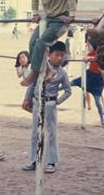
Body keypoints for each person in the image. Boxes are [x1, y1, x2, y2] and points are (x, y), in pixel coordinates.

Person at [22, 41, 72, 173]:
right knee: (35, 132)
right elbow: (32, 84)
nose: (60, 58)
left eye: (62, 55)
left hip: (50, 104)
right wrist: (27, 99)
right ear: (49, 54)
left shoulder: (62, 73)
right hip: (37, 101)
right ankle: (33, 160)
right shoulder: (42, 68)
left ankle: (51, 162)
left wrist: (57, 102)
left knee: (51, 133)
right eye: (57, 55)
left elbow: (68, 90)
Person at [70, 38, 104, 127]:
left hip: (98, 79)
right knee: (72, 83)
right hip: (89, 75)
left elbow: (95, 58)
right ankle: (56, 89)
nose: (87, 46)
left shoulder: (99, 53)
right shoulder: (89, 53)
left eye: (89, 45)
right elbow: (86, 59)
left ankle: (102, 119)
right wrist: (86, 57)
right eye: (87, 45)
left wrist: (88, 58)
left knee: (98, 102)